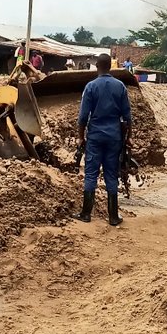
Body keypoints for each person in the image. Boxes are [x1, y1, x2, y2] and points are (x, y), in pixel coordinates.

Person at [72, 54, 133, 226]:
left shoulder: (91, 87)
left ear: (97, 65)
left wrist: (79, 137)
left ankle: (86, 214)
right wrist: (129, 138)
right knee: (111, 175)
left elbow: (83, 116)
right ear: (110, 66)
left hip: (95, 137)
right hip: (114, 137)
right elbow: (128, 117)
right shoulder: (120, 86)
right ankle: (113, 216)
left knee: (91, 174)